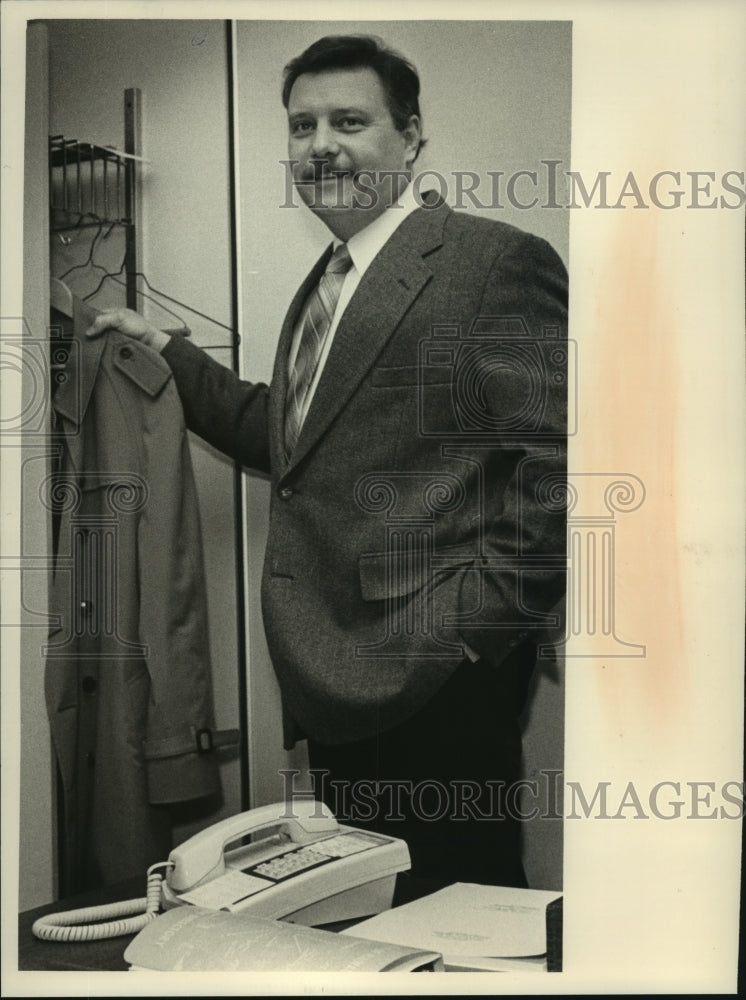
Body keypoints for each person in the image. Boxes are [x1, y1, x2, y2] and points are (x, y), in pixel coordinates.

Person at [87, 34, 568, 888]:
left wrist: (477, 629)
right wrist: (168, 349)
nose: (320, 146)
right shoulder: (328, 281)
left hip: (435, 674)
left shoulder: (491, 260)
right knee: (360, 918)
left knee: (457, 921)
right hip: (328, 677)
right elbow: (295, 438)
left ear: (411, 136)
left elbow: (561, 459)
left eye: (349, 121)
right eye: (302, 126)